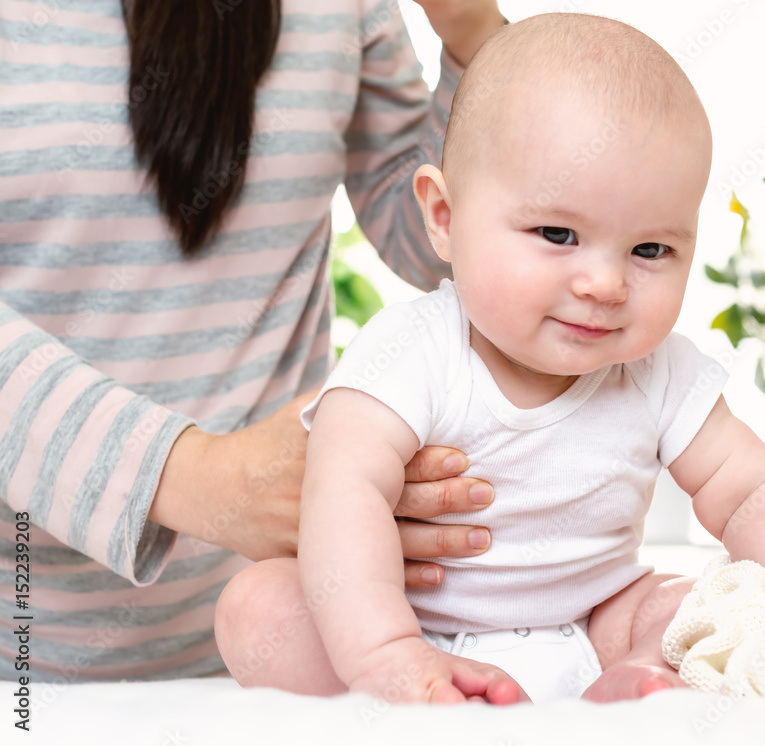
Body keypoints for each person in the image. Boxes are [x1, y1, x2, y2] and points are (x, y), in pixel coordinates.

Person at [213, 12, 765, 706]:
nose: (605, 285)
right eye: (557, 233)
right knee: (259, 606)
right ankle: (396, 683)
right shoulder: (412, 350)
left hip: (593, 623)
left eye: (650, 251)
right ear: (445, 218)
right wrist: (386, 648)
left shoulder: (662, 370)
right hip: (415, 624)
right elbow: (345, 492)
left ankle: (637, 673)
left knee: (700, 598)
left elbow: (754, 490)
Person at [0, 0, 508, 683]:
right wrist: (205, 479)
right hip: (22, 649)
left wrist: (472, 34)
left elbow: (434, 241)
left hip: (278, 654)